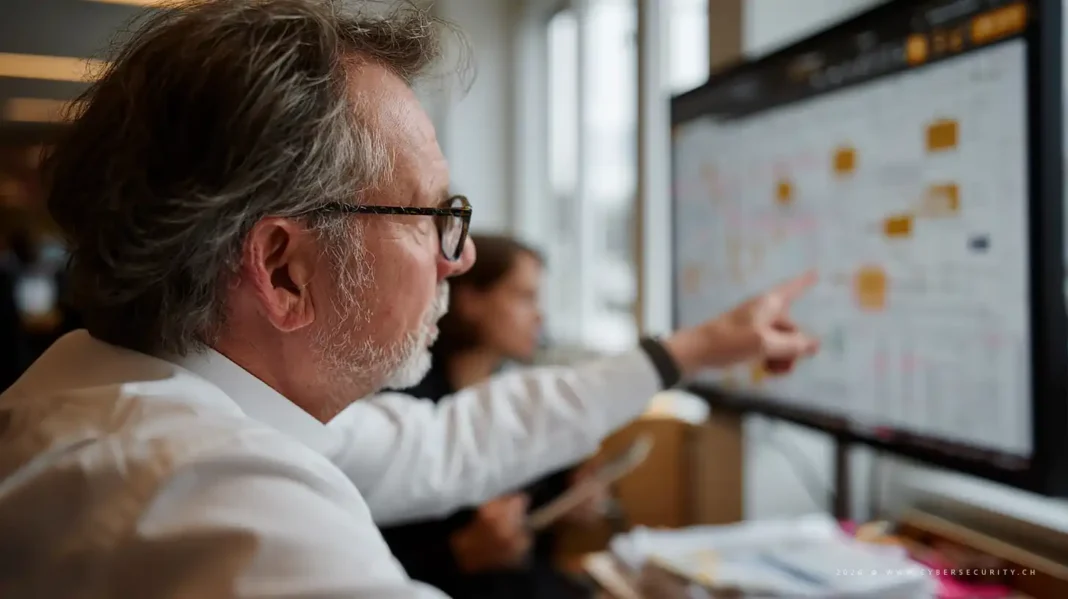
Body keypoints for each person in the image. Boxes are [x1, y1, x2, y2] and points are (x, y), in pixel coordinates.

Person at [0, 1, 819, 597]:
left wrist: (695, 349)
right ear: (284, 269)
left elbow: (450, 442)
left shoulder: (145, 395)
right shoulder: (217, 501)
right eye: (433, 215)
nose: (455, 259)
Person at [379, 234, 600, 599]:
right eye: (524, 297)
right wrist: (462, 553)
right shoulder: (406, 406)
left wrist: (572, 502)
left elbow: (538, 510)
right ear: (470, 302)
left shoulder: (519, 400)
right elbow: (378, 554)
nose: (540, 315)